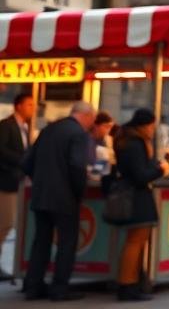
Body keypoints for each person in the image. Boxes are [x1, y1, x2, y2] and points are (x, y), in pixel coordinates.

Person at [22, 100, 95, 301]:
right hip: (64, 197)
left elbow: (27, 162)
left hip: (41, 194)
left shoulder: (49, 129)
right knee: (66, 242)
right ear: (86, 116)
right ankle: (59, 288)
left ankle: (33, 286)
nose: (92, 124)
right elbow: (77, 167)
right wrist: (79, 191)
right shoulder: (78, 134)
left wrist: (40, 180)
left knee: (41, 242)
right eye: (92, 120)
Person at [111, 109, 169, 302]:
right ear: (144, 125)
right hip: (137, 198)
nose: (153, 130)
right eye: (152, 126)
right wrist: (160, 169)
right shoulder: (135, 144)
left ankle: (133, 283)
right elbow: (140, 175)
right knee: (135, 242)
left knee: (136, 242)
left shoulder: (127, 139)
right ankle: (127, 285)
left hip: (134, 196)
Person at [0, 93, 34, 281]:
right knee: (4, 223)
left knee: (10, 223)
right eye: (29, 104)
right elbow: (1, 149)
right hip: (7, 181)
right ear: (18, 106)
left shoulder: (25, 128)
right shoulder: (7, 126)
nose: (32, 108)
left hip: (19, 181)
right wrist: (21, 161)